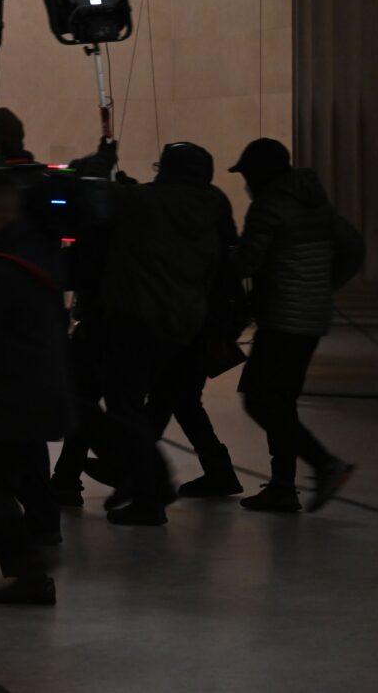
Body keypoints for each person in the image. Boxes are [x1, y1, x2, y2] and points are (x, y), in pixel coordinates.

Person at [0, 168, 75, 606]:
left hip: (8, 391)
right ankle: (30, 550)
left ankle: (29, 574)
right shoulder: (38, 251)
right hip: (42, 384)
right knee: (22, 471)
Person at [229, 138, 361, 512]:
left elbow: (246, 264)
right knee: (281, 403)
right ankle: (283, 487)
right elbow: (353, 246)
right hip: (311, 318)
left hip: (282, 318)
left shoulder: (268, 207)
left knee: (258, 399)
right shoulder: (316, 205)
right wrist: (324, 285)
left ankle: (324, 464)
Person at [98, 142, 225, 526]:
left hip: (139, 318)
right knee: (155, 407)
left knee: (124, 407)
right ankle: (138, 480)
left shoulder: (140, 201)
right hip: (188, 322)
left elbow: (101, 202)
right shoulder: (215, 205)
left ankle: (148, 490)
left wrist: (106, 166)